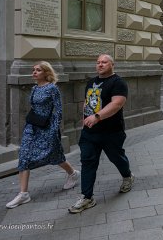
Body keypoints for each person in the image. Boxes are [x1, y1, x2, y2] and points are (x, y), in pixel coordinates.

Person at [6, 62, 79, 209]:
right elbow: (34, 107)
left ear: (46, 73)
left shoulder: (52, 88)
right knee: (24, 155)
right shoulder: (34, 88)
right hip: (32, 126)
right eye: (33, 70)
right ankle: (23, 194)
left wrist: (54, 130)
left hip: (47, 127)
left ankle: (72, 173)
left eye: (38, 70)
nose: (34, 72)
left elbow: (58, 111)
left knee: (54, 155)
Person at [69, 54, 134, 214]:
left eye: (104, 62)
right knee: (88, 161)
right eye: (98, 62)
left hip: (112, 131)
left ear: (112, 64)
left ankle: (127, 176)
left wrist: (97, 117)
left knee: (116, 157)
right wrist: (84, 119)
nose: (100, 64)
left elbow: (117, 103)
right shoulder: (91, 82)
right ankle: (87, 197)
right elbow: (88, 103)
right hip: (90, 132)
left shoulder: (118, 82)